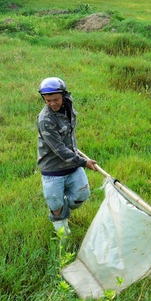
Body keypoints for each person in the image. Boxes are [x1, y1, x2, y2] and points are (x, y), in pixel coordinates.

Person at [37, 77, 97, 236]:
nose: (52, 104)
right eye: (48, 101)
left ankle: (61, 209)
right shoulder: (45, 120)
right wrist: (84, 162)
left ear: (63, 96)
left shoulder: (68, 106)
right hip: (53, 169)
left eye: (56, 99)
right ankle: (63, 238)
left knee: (82, 194)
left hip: (72, 163)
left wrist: (76, 154)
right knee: (56, 205)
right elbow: (59, 150)